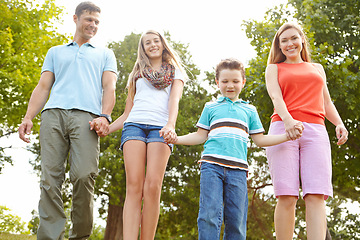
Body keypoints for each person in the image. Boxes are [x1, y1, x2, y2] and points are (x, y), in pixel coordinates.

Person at [167, 58, 303, 240]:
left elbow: (260, 140)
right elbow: (200, 135)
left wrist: (287, 136)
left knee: (237, 220)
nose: (230, 85)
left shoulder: (249, 110)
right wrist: (177, 139)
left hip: (238, 172)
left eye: (235, 81)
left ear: (243, 82)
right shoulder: (210, 107)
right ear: (217, 82)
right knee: (208, 215)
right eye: (225, 81)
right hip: (211, 167)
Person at [18, 2, 117, 239]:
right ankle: (51, 236)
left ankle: (79, 235)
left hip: (87, 119)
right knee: (50, 178)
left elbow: (109, 87)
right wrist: (28, 117)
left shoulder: (105, 54)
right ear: (76, 19)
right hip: (53, 115)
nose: (93, 25)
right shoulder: (55, 51)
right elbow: (43, 87)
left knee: (84, 175)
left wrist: (105, 115)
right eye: (89, 19)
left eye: (96, 22)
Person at [265, 22, 348, 240]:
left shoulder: (317, 68)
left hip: (316, 132)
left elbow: (326, 102)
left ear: (301, 39)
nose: (290, 43)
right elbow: (276, 98)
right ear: (279, 46)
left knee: (316, 195)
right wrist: (289, 121)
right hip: (283, 129)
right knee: (287, 195)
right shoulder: (274, 68)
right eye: (284, 41)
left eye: (293, 38)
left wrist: (338, 123)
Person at [102, 30, 187, 240]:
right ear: (143, 48)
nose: (152, 45)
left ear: (163, 43)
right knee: (133, 187)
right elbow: (126, 113)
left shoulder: (176, 71)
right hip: (134, 126)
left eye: (155, 41)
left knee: (153, 187)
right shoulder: (137, 73)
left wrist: (170, 124)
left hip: (161, 128)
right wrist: (107, 128)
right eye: (147, 42)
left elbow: (174, 101)